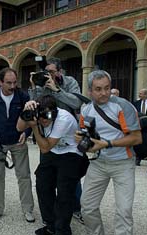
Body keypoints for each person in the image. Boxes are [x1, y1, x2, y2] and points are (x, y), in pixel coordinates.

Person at [72, 70, 142, 235]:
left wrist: (108, 143)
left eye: (107, 88)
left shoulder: (123, 106)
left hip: (123, 163)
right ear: (90, 90)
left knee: (124, 211)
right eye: (98, 89)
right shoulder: (86, 110)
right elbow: (84, 134)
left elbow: (136, 137)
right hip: (99, 162)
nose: (103, 93)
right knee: (87, 206)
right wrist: (81, 139)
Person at [17, 95, 88, 235]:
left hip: (71, 152)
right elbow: (19, 128)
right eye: (41, 116)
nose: (45, 120)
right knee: (42, 185)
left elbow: (44, 147)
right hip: (54, 151)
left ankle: (63, 233)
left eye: (49, 116)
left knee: (64, 193)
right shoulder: (38, 114)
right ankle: (51, 225)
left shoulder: (63, 118)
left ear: (55, 111)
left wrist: (35, 127)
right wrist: (26, 111)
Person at [28, 56, 85, 224]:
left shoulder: (70, 82)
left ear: (59, 71)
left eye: (51, 72)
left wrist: (57, 89)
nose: (48, 75)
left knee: (70, 178)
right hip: (47, 134)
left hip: (67, 134)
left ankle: (76, 208)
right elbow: (36, 104)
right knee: (46, 176)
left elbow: (76, 103)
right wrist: (34, 86)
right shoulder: (42, 84)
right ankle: (52, 210)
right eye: (46, 72)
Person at [0, 67, 34, 223]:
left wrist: (26, 133)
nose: (12, 86)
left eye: (14, 82)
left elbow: (31, 119)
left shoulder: (23, 96)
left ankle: (28, 209)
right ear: (0, 82)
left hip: (18, 141)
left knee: (24, 176)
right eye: (8, 83)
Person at [133, 88, 147, 166]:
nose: (139, 95)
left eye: (141, 93)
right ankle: (138, 158)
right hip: (139, 124)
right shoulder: (136, 103)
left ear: (146, 95)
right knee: (138, 142)